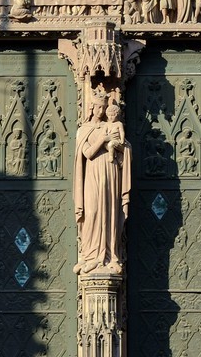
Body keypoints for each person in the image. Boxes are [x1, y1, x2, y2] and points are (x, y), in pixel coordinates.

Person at [74, 86, 131, 273]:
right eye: (98, 107)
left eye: (104, 107)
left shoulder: (113, 126)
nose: (101, 111)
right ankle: (90, 255)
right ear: (91, 108)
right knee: (93, 212)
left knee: (110, 212)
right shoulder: (84, 130)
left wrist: (122, 147)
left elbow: (124, 148)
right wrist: (103, 138)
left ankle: (110, 255)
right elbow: (88, 153)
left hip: (111, 172)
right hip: (92, 175)